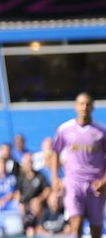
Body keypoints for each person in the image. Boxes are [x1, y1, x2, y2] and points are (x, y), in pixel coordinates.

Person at [51, 92, 106, 238]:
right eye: (81, 104)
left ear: (93, 107)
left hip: (95, 185)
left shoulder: (101, 132)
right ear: (76, 106)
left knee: (96, 229)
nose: (84, 107)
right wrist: (55, 178)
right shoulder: (65, 129)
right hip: (74, 182)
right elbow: (55, 152)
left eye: (88, 104)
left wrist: (104, 181)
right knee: (76, 223)